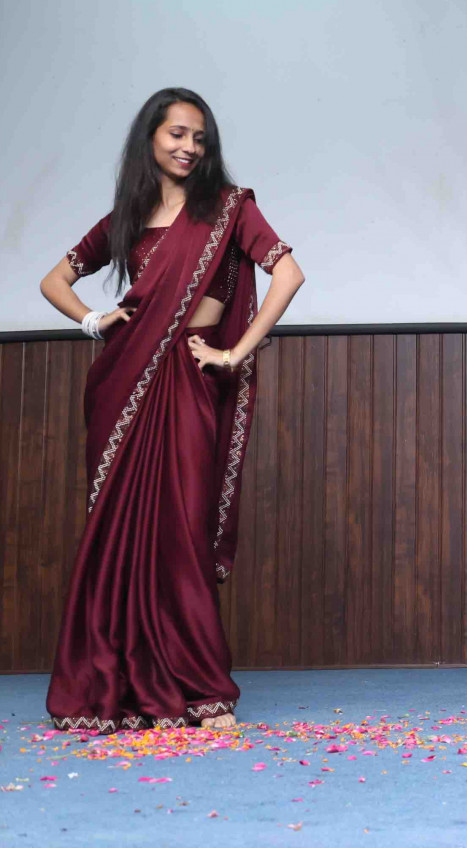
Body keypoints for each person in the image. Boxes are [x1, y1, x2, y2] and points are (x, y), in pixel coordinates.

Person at [40, 87, 304, 733]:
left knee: (181, 531)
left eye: (199, 138)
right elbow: (54, 281)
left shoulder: (229, 208)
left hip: (185, 383)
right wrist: (95, 320)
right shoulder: (127, 216)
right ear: (151, 138)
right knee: (118, 535)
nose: (189, 147)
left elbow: (289, 275)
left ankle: (201, 688)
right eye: (177, 134)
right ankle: (119, 683)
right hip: (123, 383)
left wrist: (233, 352)